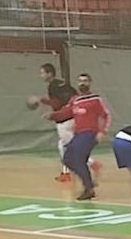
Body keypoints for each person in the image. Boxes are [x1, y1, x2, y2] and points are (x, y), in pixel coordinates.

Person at [47, 73, 111, 201]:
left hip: (89, 133)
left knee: (78, 159)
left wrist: (102, 132)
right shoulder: (75, 100)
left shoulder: (96, 99)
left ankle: (88, 187)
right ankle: (89, 183)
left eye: (85, 81)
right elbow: (67, 112)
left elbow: (106, 115)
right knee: (67, 159)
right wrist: (53, 115)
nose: (82, 83)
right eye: (80, 81)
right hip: (78, 133)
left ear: (90, 83)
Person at [29, 63, 84, 183]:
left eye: (42, 73)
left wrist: (41, 101)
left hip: (65, 119)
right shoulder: (63, 84)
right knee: (63, 145)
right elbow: (75, 97)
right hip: (74, 116)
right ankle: (66, 172)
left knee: (69, 146)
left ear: (49, 73)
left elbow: (56, 104)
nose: (41, 75)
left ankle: (91, 164)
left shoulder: (53, 87)